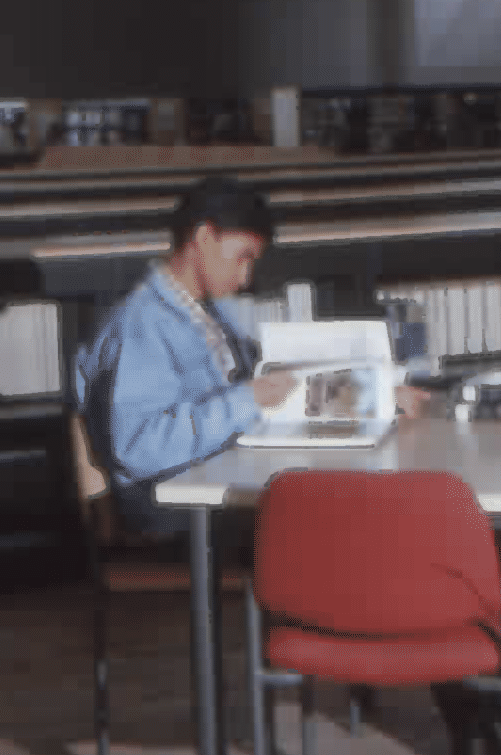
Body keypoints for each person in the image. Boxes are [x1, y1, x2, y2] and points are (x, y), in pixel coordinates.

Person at [72, 174, 426, 540]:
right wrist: (247, 399)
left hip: (219, 475)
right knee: (344, 514)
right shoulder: (142, 324)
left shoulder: (204, 312)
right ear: (204, 238)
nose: (245, 278)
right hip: (174, 506)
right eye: (242, 257)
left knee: (351, 495)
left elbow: (272, 389)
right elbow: (139, 448)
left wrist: (375, 397)